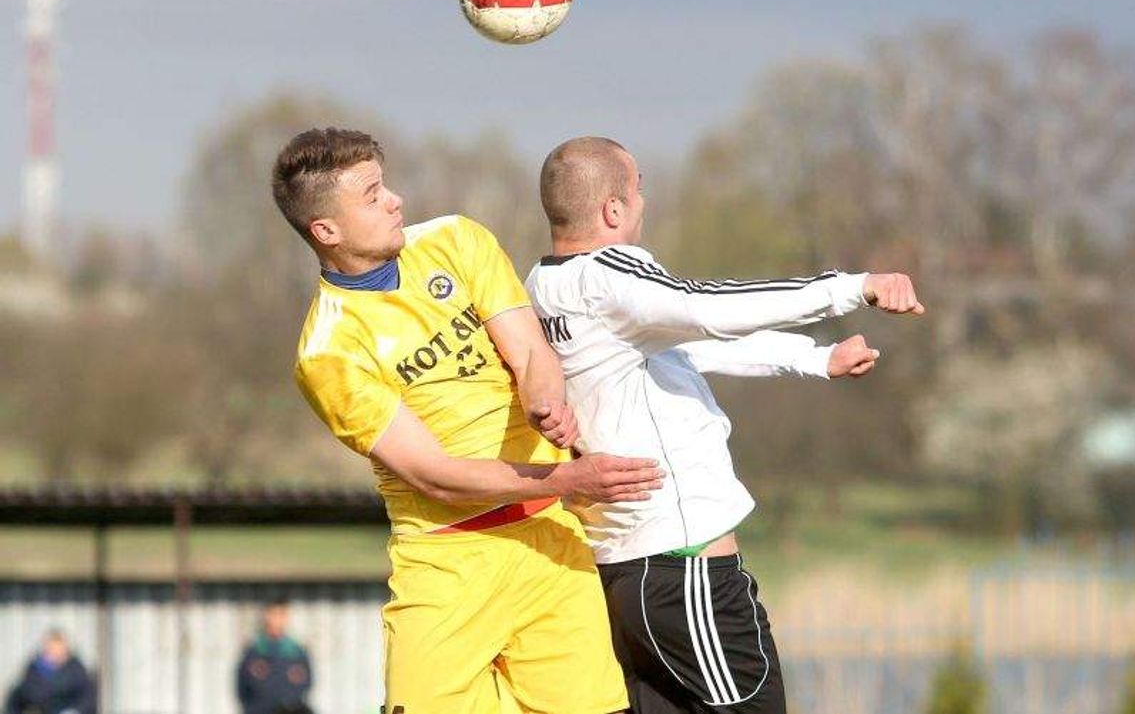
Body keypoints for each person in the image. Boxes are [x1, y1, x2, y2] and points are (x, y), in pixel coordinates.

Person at [524, 136, 924, 714]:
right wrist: (851, 289)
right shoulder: (609, 273)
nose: (644, 202)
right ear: (613, 209)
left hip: (630, 575)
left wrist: (815, 358)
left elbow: (683, 346)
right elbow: (703, 309)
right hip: (685, 573)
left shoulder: (545, 286)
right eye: (638, 190)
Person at [270, 128, 665, 714]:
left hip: (549, 541)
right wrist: (568, 479)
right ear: (326, 231)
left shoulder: (456, 239)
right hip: (447, 561)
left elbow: (530, 351)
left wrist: (544, 400)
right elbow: (436, 476)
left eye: (386, 185)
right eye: (373, 196)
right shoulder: (328, 352)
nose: (395, 200)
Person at [236, 599, 313, 714]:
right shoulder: (254, 652)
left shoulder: (297, 653)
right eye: (274, 614)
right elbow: (242, 688)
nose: (278, 620)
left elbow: (306, 685)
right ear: (266, 616)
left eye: (282, 615)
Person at [4, 630, 97, 714]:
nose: (55, 654)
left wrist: (74, 711)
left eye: (59, 651)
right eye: (52, 650)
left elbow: (88, 699)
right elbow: (17, 697)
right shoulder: (34, 671)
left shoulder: (77, 672)